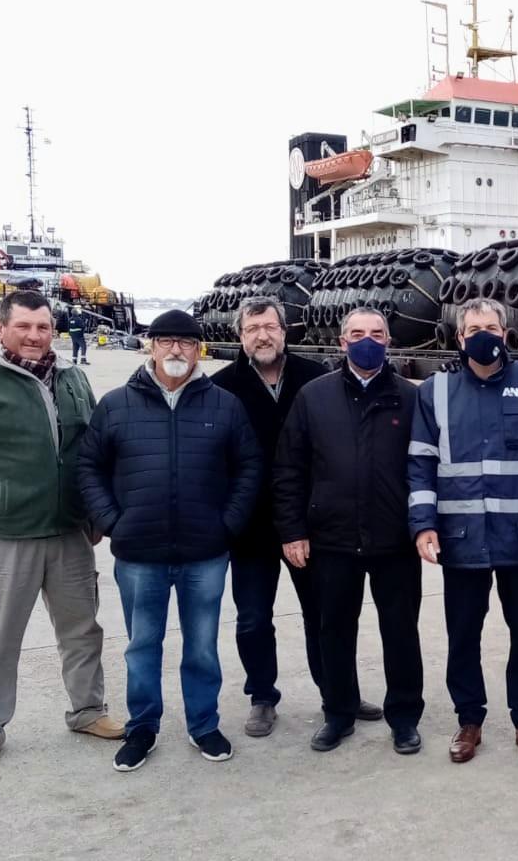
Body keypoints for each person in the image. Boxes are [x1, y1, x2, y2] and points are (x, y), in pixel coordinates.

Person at [0, 289, 122, 769]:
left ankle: (88, 710)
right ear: (1, 328)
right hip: (3, 535)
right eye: (24, 327)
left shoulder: (73, 379)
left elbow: (92, 452)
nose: (34, 336)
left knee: (82, 631)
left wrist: (95, 514)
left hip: (69, 533)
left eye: (43, 327)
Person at [78, 309, 262, 771]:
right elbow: (89, 467)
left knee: (201, 646)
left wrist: (227, 524)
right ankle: (143, 727)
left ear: (198, 350)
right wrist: (112, 521)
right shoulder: (117, 404)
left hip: (205, 553)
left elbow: (249, 468)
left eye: (185, 341)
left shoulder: (224, 405)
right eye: (166, 340)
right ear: (151, 346)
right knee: (142, 645)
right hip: (140, 553)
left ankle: (204, 724)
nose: (176, 349)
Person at [408, 298, 518, 766]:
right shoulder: (436, 391)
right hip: (461, 539)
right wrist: (423, 525)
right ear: (460, 338)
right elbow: (420, 464)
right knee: (463, 636)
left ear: (506, 333)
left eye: (492, 327)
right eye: (473, 329)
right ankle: (469, 720)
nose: (484, 335)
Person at [212, 297, 379, 739]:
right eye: (253, 329)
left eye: (270, 327)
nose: (262, 336)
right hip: (250, 528)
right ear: (240, 336)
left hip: (310, 523)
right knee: (253, 617)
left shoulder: (316, 378)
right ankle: (262, 696)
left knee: (324, 615)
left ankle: (338, 694)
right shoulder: (222, 387)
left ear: (285, 332)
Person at [275, 308, 425, 755]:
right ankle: (338, 713)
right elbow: (289, 468)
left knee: (401, 632)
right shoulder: (314, 396)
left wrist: (424, 527)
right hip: (332, 538)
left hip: (394, 539)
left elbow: (427, 469)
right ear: (342, 342)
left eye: (376, 334)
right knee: (334, 631)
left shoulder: (411, 398)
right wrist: (293, 530)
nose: (367, 341)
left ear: (389, 341)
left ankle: (404, 718)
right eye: (357, 334)